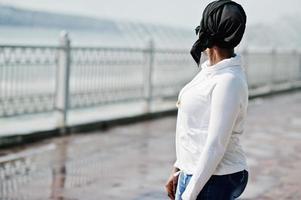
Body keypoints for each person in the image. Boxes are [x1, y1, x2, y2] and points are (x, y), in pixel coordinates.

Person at [165, 0, 249, 200]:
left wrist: (189, 194)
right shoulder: (210, 71)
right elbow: (194, 128)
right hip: (195, 172)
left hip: (216, 177)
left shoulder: (228, 81)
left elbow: (215, 145)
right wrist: (178, 168)